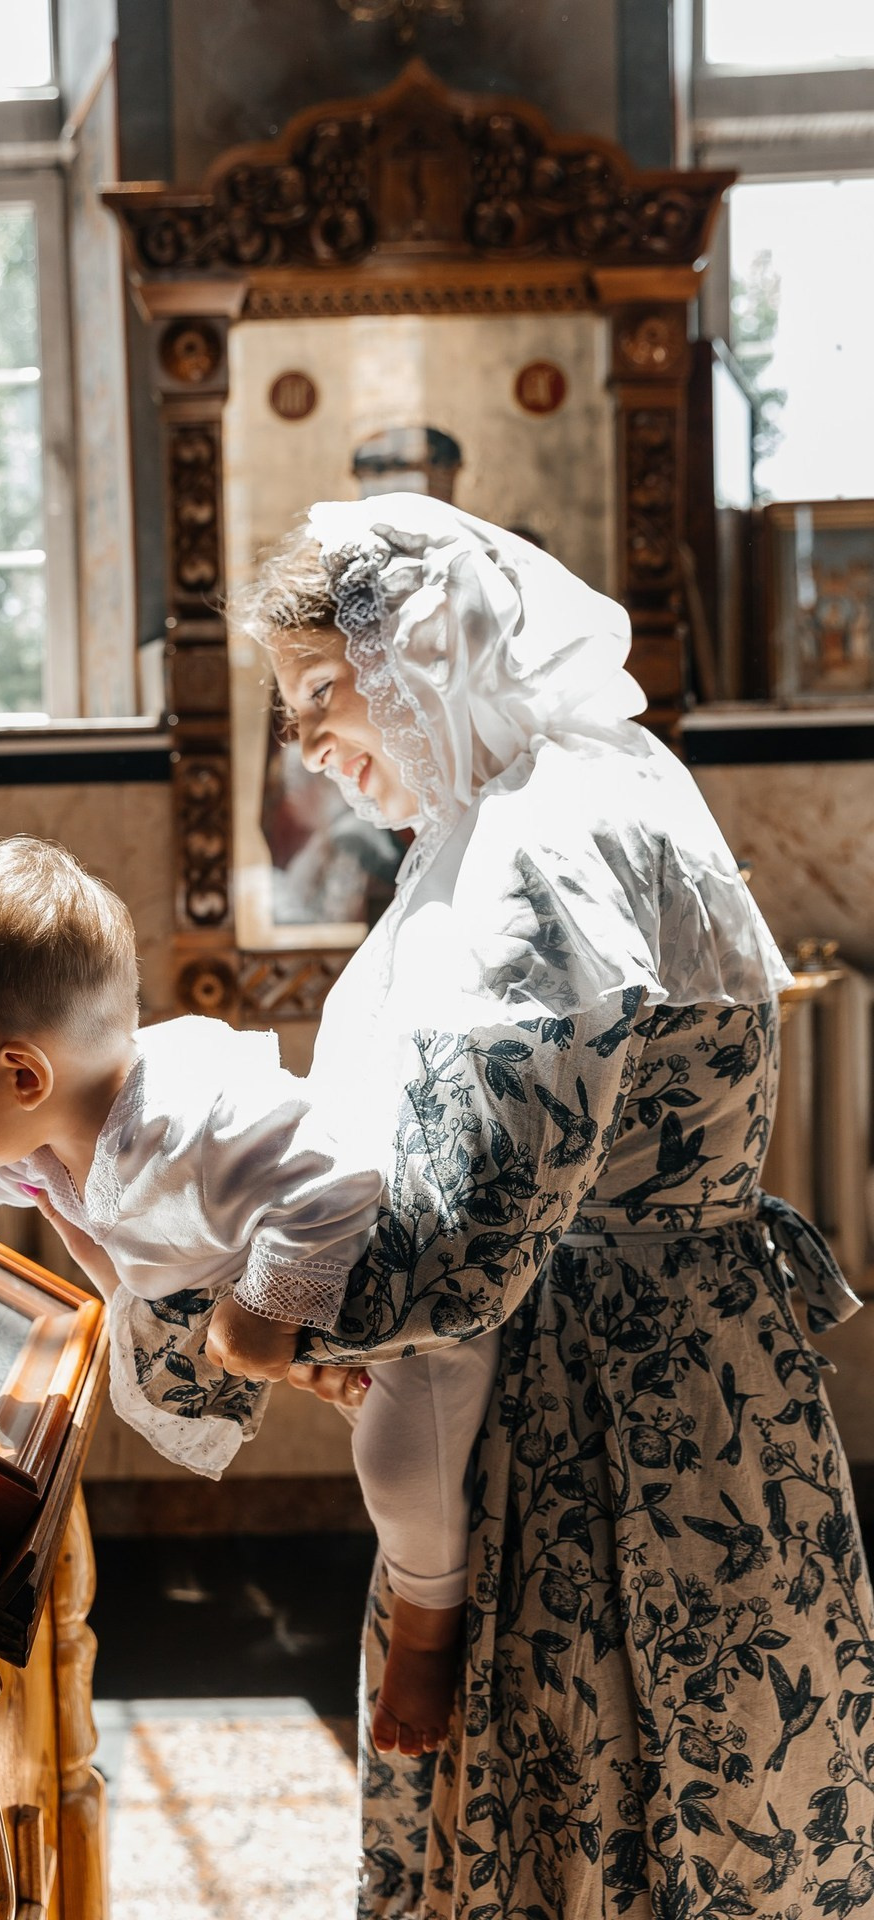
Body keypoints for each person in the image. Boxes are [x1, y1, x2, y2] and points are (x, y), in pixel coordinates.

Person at [214, 492, 869, 1918]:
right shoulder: (602, 782)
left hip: (589, 1411)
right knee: (724, 1789)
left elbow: (472, 1232)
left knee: (583, 1792)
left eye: (323, 692)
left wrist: (249, 1307)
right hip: (705, 1372)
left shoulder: (536, 845)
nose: (304, 742)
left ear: (429, 653)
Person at [0, 833, 490, 1751]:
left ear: (23, 1073)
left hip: (414, 1315)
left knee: (400, 1470)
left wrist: (267, 1315)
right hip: (271, 1297)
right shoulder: (44, 1127)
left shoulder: (191, 1123)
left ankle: (428, 1631)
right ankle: (324, 1378)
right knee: (342, 1407)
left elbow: (338, 1182)